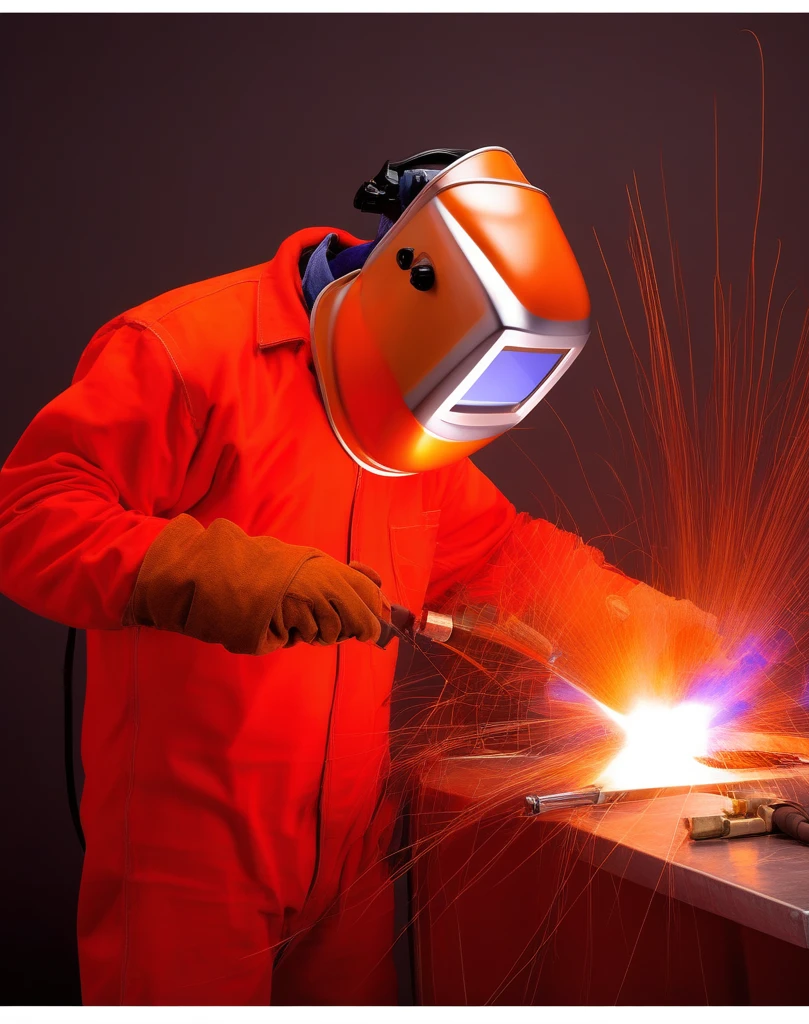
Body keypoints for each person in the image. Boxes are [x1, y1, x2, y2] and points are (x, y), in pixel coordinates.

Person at [0, 147, 722, 1005]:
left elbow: (494, 553)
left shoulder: (409, 418)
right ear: (406, 282)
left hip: (350, 858)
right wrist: (214, 569)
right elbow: (29, 514)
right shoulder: (181, 352)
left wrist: (622, 614)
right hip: (186, 861)